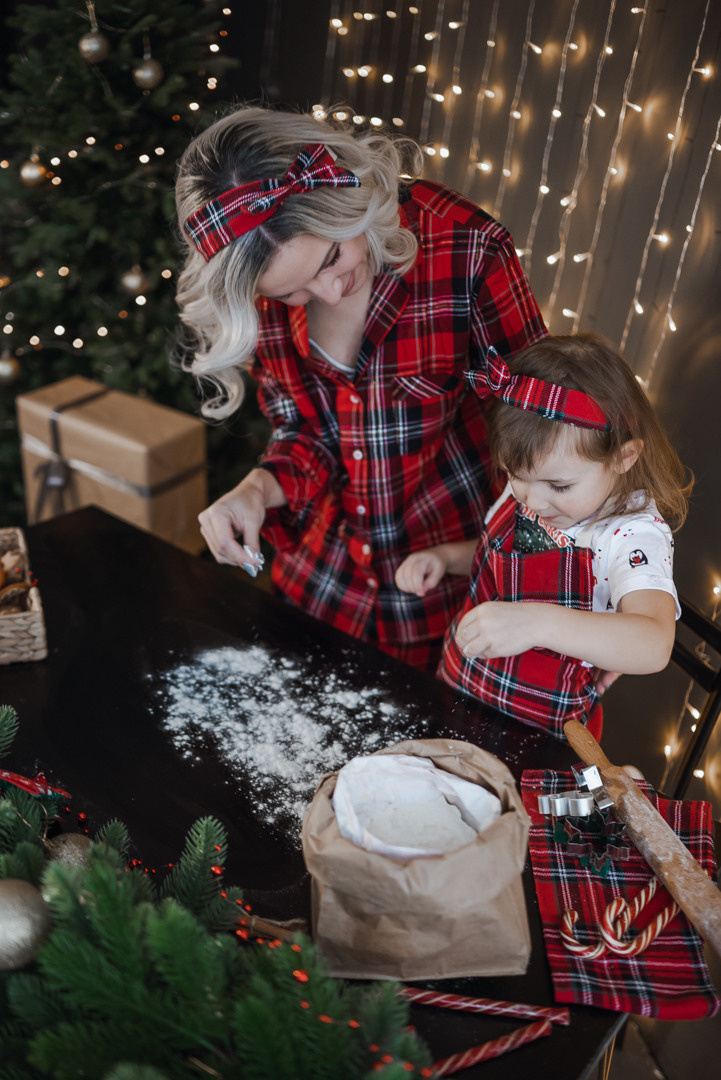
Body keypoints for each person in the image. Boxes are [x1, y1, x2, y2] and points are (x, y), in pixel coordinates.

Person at [175, 104, 547, 671]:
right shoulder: (262, 295)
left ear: (345, 200)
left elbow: (546, 428)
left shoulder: (466, 248)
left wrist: (564, 587)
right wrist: (255, 490)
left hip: (452, 587)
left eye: (332, 256)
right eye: (294, 293)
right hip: (323, 586)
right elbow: (306, 430)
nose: (328, 292)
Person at [395, 334, 692, 740]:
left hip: (541, 738)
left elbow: (655, 643)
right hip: (458, 694)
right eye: (516, 476)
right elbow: (504, 555)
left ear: (624, 457)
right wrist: (446, 558)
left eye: (559, 485)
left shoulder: (631, 534)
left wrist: (536, 623)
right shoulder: (534, 484)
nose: (532, 500)